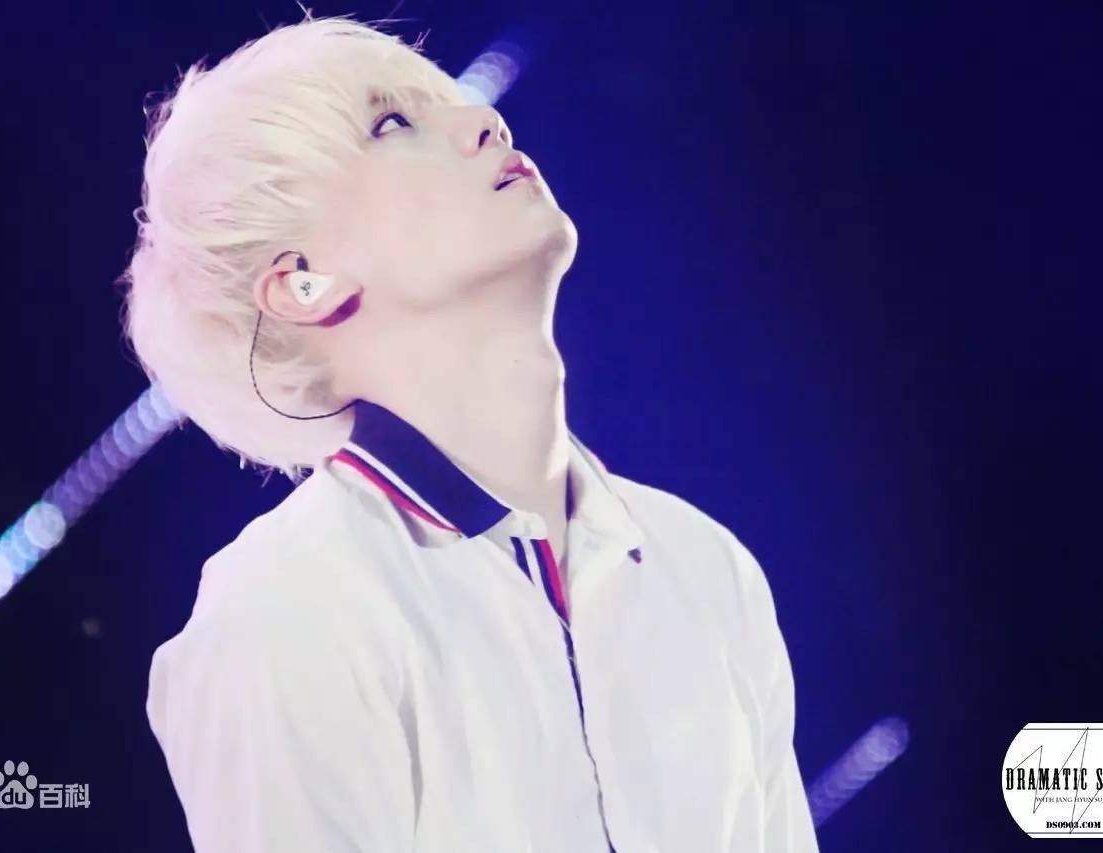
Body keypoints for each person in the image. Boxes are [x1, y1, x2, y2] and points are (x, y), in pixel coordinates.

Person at [119, 13, 819, 853]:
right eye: (391, 125)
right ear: (303, 283)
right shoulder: (288, 607)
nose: (485, 120)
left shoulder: (703, 563)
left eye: (453, 101)